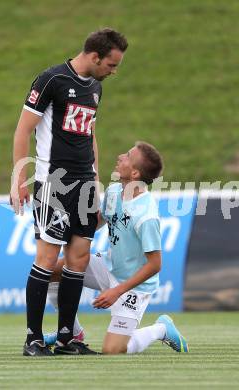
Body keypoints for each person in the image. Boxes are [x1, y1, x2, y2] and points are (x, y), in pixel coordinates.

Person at [10, 28, 128, 356]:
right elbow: (23, 130)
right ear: (94, 56)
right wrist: (19, 179)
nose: (113, 71)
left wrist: (95, 178)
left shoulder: (95, 89)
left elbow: (90, 135)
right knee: (47, 258)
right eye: (111, 64)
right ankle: (33, 338)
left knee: (78, 259)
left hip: (85, 186)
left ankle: (66, 339)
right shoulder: (51, 80)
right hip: (53, 184)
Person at [45, 142, 189, 354]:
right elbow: (100, 221)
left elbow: (155, 264)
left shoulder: (146, 215)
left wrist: (116, 292)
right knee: (52, 270)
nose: (121, 156)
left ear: (134, 172)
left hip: (133, 287)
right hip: (108, 266)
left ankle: (161, 329)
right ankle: (72, 332)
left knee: (113, 350)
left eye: (128, 156)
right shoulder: (114, 191)